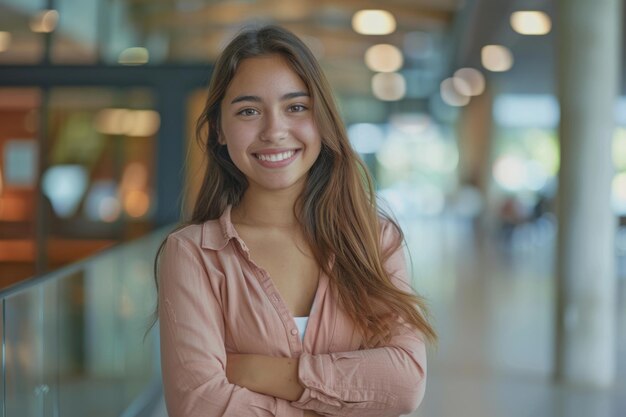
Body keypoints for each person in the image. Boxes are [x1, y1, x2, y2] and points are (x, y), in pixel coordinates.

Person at [155, 25, 436, 417]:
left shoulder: (375, 239)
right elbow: (199, 406)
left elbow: (405, 384)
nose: (274, 131)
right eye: (249, 111)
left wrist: (253, 370)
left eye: (296, 107)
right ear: (219, 129)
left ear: (322, 119)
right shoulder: (192, 254)